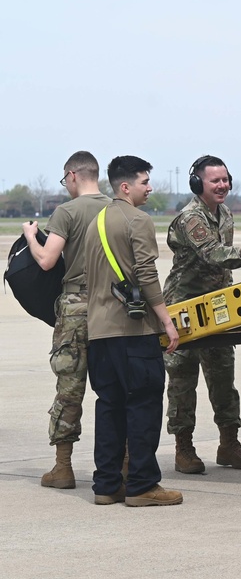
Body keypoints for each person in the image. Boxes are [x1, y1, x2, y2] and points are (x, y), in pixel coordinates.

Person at [164, 155, 241, 474]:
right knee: (183, 381)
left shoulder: (225, 213)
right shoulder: (191, 217)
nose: (223, 185)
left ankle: (229, 444)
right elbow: (213, 254)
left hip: (216, 307)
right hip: (184, 307)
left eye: (225, 179)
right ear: (199, 184)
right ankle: (183, 448)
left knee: (223, 376)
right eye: (215, 180)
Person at [83, 155, 182, 506]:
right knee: (143, 405)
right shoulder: (137, 220)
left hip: (99, 334)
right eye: (144, 182)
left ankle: (107, 485)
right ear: (126, 187)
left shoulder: (95, 223)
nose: (150, 187)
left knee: (109, 407)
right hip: (133, 332)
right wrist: (167, 321)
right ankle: (142, 485)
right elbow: (146, 273)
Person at [21, 151, 111, 490]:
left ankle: (63, 467)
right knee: (114, 388)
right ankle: (127, 464)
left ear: (73, 175)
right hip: (113, 307)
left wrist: (32, 234)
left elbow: (47, 260)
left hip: (76, 307)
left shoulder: (67, 211)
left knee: (70, 389)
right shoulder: (117, 208)